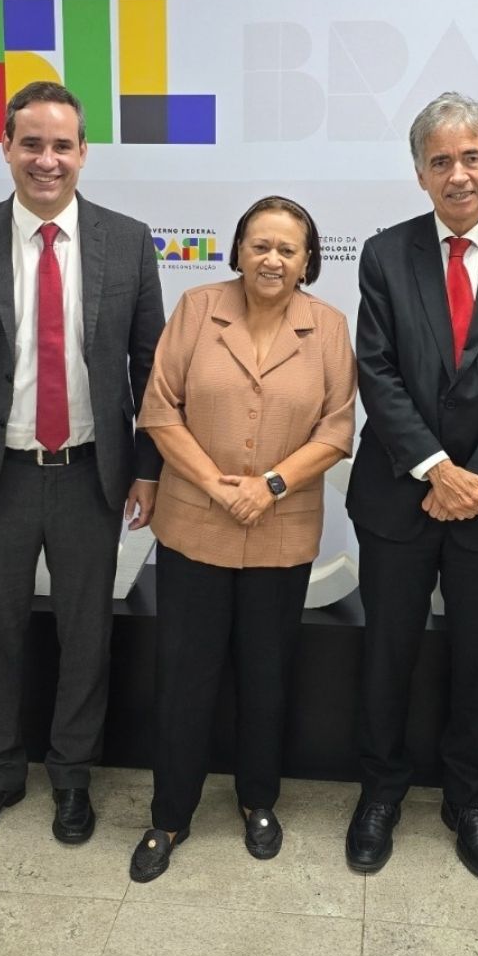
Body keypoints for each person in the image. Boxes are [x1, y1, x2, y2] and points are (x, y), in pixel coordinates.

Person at [0, 81, 165, 845]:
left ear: (84, 152)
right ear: (5, 147)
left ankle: (71, 774)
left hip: (92, 473)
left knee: (85, 633)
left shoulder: (127, 240)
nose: (46, 160)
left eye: (62, 145)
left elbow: (151, 368)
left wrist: (149, 468)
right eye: (31, 143)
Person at [345, 91, 478, 880]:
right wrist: (435, 468)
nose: (458, 174)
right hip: (399, 494)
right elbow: (376, 372)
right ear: (419, 174)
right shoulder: (384, 254)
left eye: (470, 157)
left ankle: (468, 801)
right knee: (387, 654)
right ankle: (380, 793)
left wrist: (476, 476)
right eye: (440, 161)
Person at [127, 196, 357, 882]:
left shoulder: (328, 326)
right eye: (260, 245)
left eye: (288, 249)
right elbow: (159, 410)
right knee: (184, 679)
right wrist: (216, 484)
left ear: (308, 261)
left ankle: (259, 801)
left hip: (280, 532)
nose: (272, 259)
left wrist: (271, 485)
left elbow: (336, 429)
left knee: (266, 676)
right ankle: (169, 814)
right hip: (193, 526)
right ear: (237, 250)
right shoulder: (198, 308)